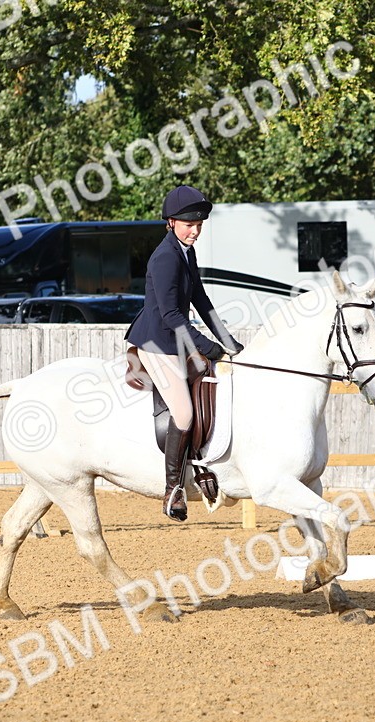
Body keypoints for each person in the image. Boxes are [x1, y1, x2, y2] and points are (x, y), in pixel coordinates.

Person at [125, 185, 244, 521]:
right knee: (184, 414)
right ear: (171, 222)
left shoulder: (186, 252)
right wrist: (207, 346)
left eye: (200, 225)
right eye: (189, 224)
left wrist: (228, 341)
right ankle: (173, 489)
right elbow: (170, 315)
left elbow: (201, 301)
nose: (196, 231)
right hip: (156, 343)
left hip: (174, 339)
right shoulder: (165, 257)